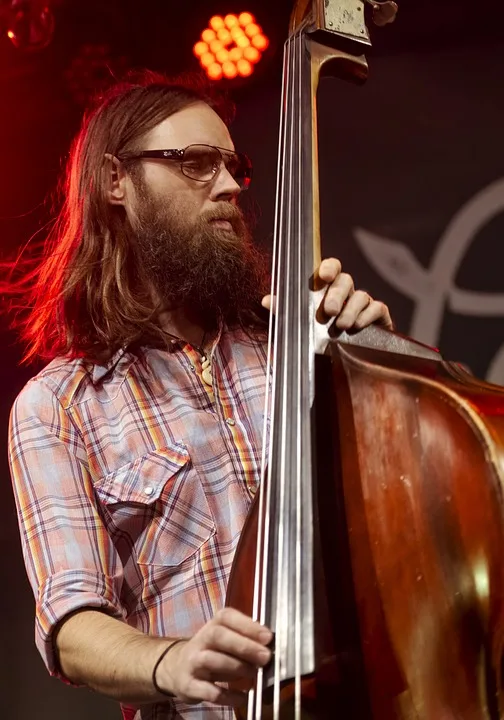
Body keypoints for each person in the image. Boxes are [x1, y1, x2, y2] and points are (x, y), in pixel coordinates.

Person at [7, 72, 393, 720]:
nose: (230, 186)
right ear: (114, 182)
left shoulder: (295, 342)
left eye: (233, 166)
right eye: (194, 163)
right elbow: (71, 625)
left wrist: (376, 358)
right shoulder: (58, 407)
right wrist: (175, 660)